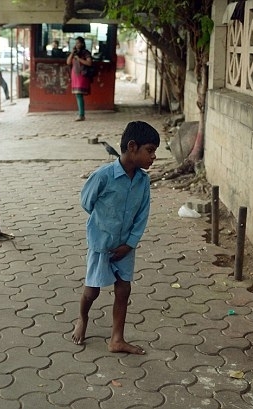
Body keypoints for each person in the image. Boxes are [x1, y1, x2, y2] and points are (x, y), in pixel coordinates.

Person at [72, 121, 160, 355]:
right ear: (132, 147)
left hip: (125, 246)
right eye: (149, 151)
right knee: (92, 292)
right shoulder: (103, 176)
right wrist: (103, 225)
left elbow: (143, 213)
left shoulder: (143, 181)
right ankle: (82, 318)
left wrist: (130, 243)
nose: (154, 157)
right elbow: (86, 202)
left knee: (123, 290)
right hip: (101, 244)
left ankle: (117, 339)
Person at [66, 36, 92, 122]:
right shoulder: (75, 53)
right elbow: (68, 62)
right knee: (77, 95)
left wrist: (79, 59)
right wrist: (72, 53)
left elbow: (89, 63)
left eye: (78, 43)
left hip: (82, 75)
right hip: (75, 75)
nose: (77, 45)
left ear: (82, 43)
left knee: (79, 94)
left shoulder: (86, 53)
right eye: (76, 43)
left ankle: (81, 115)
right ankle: (81, 114)